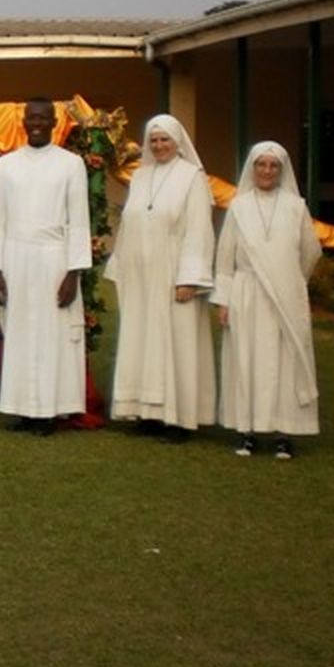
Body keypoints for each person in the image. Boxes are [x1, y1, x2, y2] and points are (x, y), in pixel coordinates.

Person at [0, 97, 91, 435]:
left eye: (44, 118)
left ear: (55, 122)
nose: (37, 123)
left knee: (51, 334)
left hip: (54, 258)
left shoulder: (71, 164)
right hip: (15, 257)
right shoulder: (7, 165)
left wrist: (73, 274)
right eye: (32, 118)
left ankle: (49, 412)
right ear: (24, 122)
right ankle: (22, 409)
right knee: (20, 333)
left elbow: (79, 222)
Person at [104, 114, 215, 442]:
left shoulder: (192, 177)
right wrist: (121, 265)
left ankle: (179, 418)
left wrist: (189, 278)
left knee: (176, 342)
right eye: (153, 140)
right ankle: (148, 412)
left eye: (165, 139)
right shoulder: (141, 177)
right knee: (142, 339)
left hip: (173, 275)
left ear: (178, 141)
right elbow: (130, 223)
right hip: (140, 277)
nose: (159, 145)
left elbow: (199, 230)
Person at [213, 141, 321, 459]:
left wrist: (291, 281)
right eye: (261, 165)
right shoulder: (239, 206)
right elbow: (224, 257)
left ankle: (283, 432)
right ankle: (246, 430)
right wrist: (224, 301)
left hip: (285, 296)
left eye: (273, 166)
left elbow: (310, 252)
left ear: (281, 170)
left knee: (284, 363)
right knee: (247, 360)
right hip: (247, 294)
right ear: (252, 167)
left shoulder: (295, 206)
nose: (267, 171)